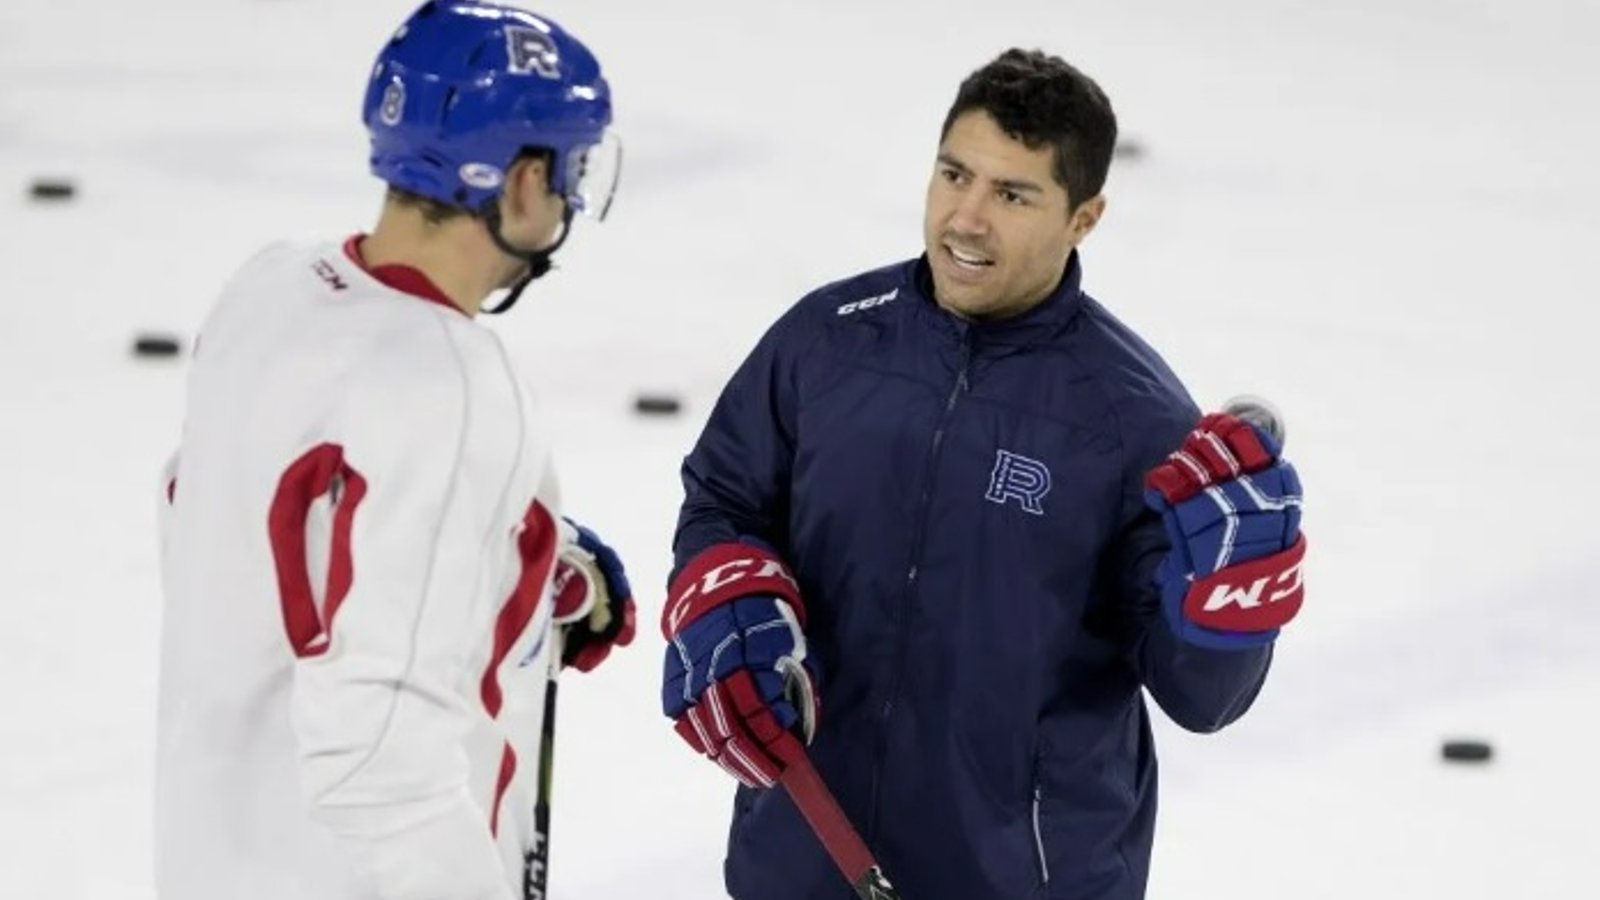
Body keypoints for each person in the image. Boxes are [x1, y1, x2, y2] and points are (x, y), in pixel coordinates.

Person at [660, 48, 1306, 900]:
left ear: (1085, 217)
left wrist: (1230, 618)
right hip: (803, 854)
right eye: (953, 175)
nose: (964, 219)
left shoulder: (1134, 421)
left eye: (1011, 195)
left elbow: (1202, 698)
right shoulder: (826, 341)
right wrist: (725, 592)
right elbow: (724, 500)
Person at [154, 4, 635, 899]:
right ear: (522, 182)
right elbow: (376, 755)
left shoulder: (271, 285)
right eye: (570, 171)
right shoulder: (449, 383)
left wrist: (505, 569)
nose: (571, 199)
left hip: (210, 857)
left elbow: (226, 519)